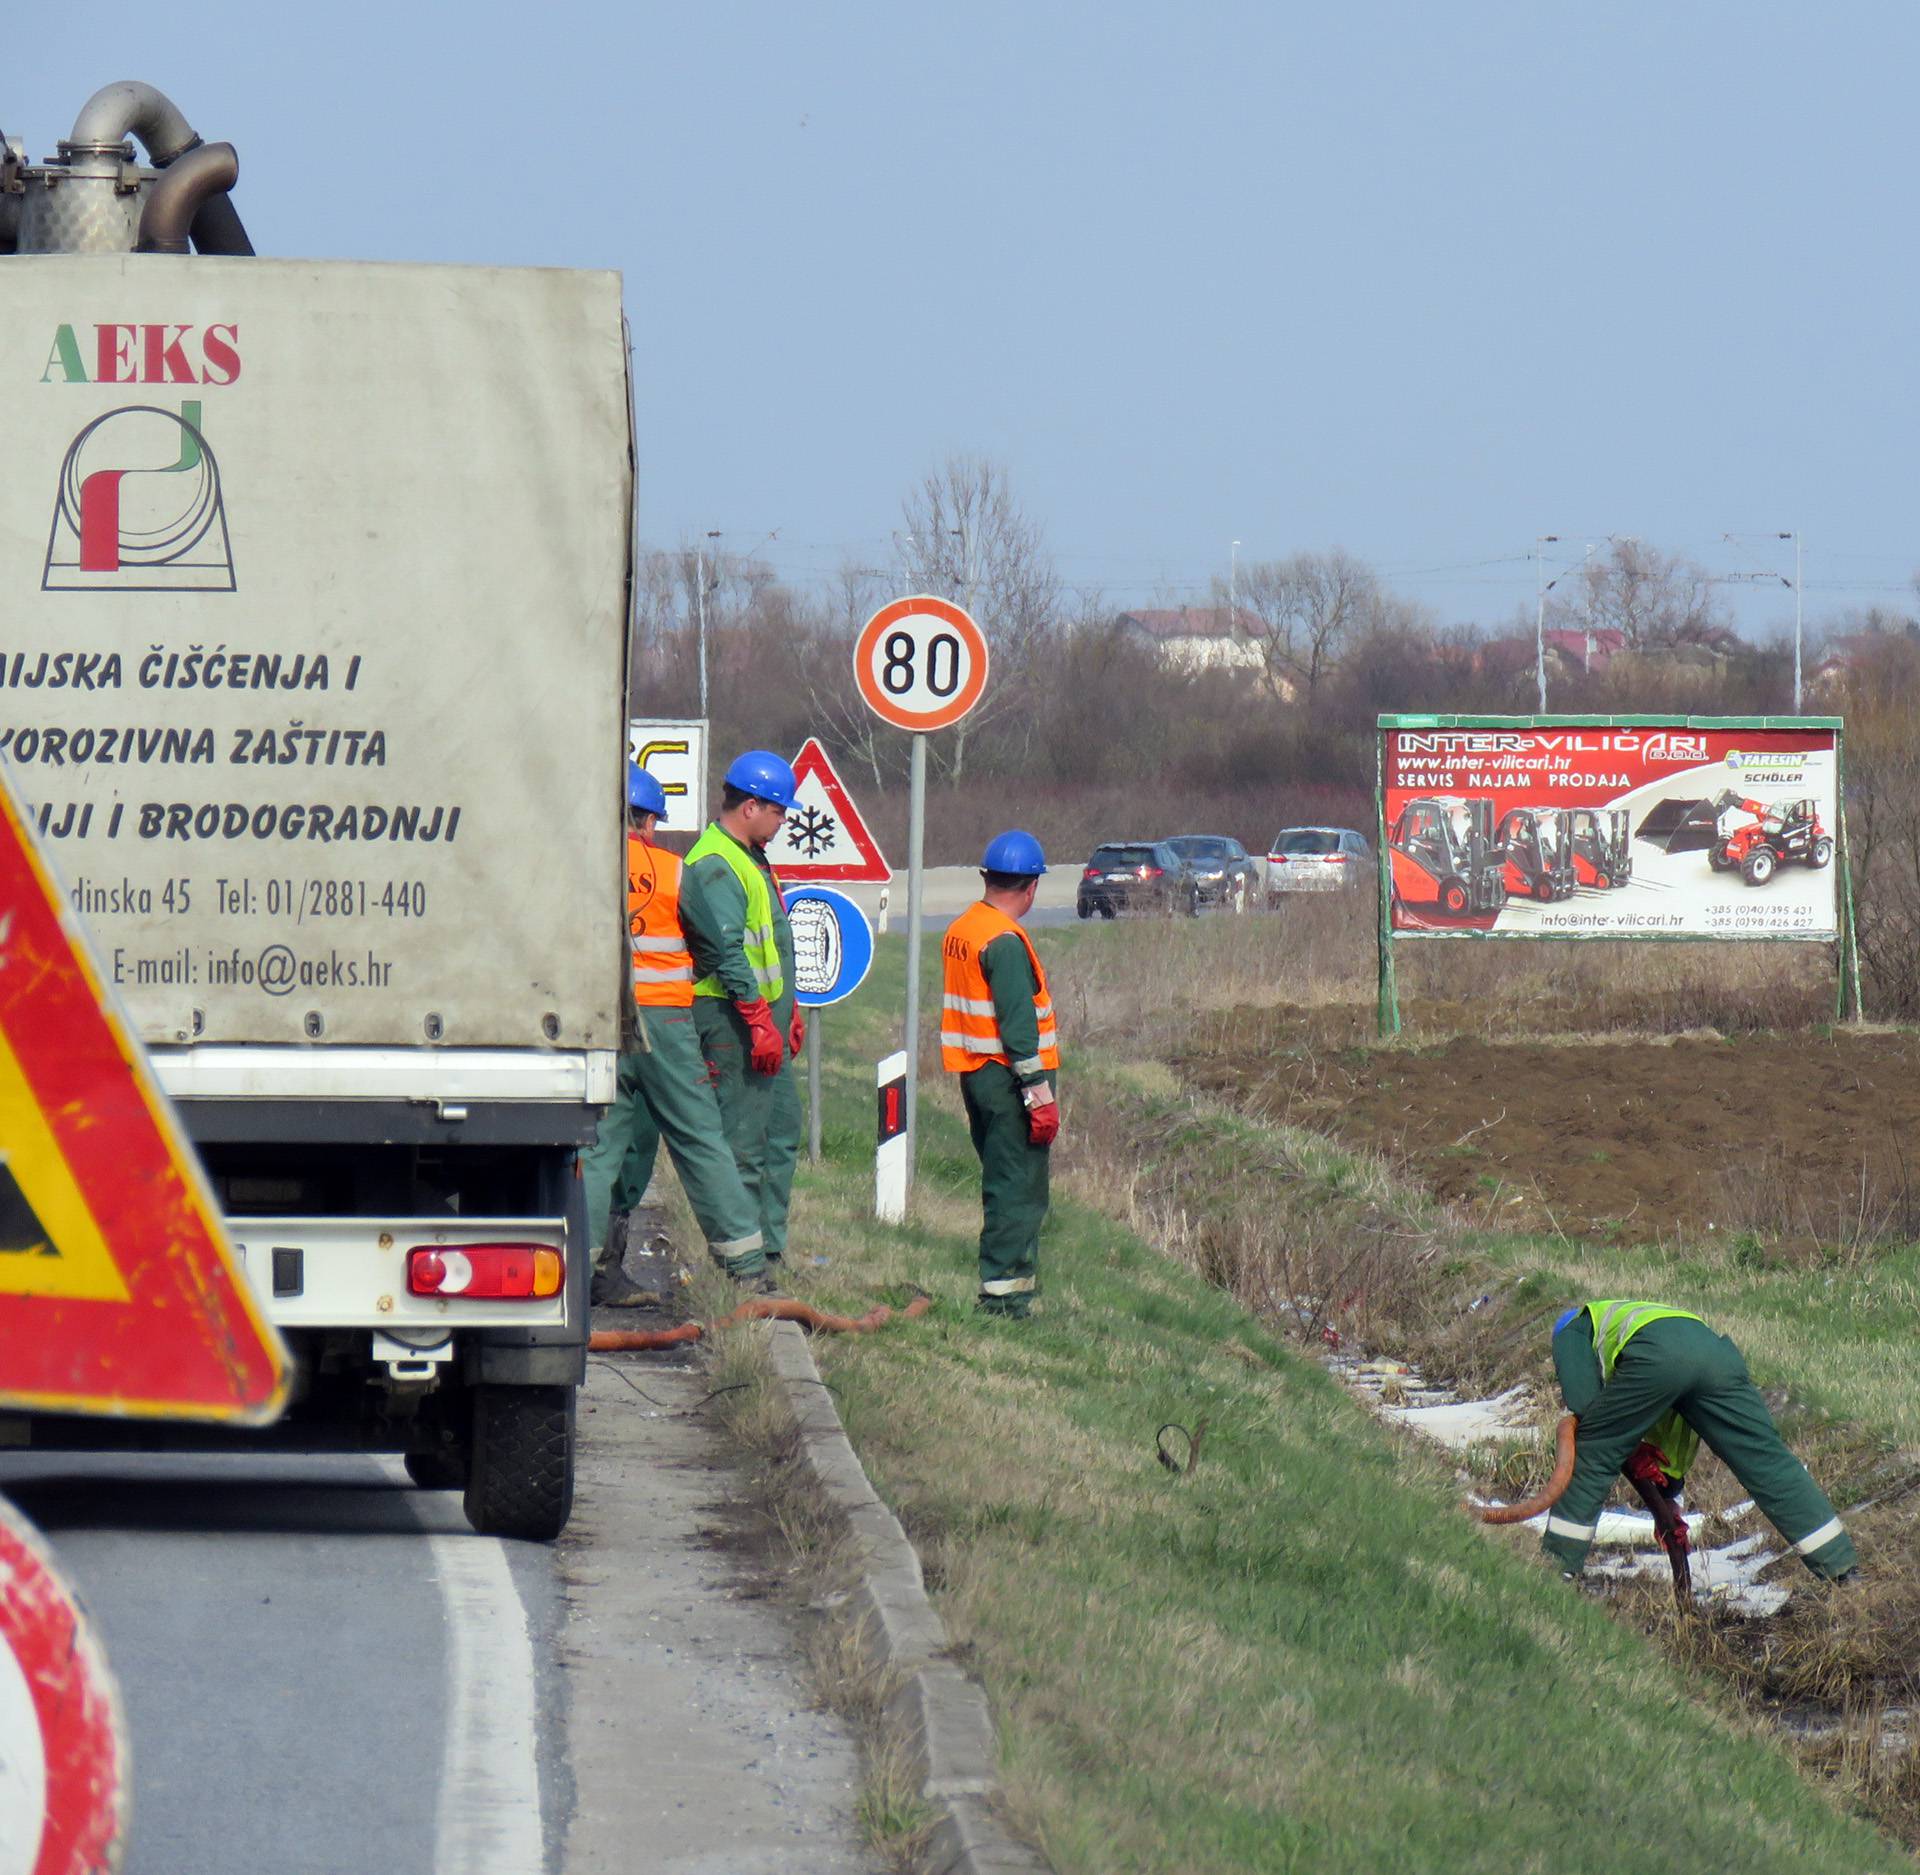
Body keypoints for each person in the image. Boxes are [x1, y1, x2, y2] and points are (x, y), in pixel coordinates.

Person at [580, 763, 771, 1304]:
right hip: (663, 1022)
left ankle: (581, 1267)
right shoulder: (671, 871)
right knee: (699, 1139)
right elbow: (714, 947)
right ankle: (747, 1266)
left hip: (598, 1026)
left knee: (596, 1149)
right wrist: (750, 1010)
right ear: (644, 820)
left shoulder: (580, 868)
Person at [1542, 1299, 1856, 1582]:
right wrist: (1669, 1498)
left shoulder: (1573, 1327)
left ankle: (1557, 1569)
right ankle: (1842, 1568)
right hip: (1717, 1357)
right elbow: (1676, 1430)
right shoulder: (1638, 1317)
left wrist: (1620, 1443)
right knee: (1766, 1459)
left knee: (1593, 1450)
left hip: (1659, 1356)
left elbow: (1585, 1406)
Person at [680, 750, 804, 1271]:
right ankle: (741, 1267)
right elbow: (726, 953)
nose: (782, 823)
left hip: (766, 1018)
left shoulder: (751, 854)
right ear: (751, 806)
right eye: (779, 812)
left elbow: (770, 943)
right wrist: (757, 1019)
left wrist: (788, 1009)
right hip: (735, 1020)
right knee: (744, 1146)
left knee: (781, 1131)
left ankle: (769, 1251)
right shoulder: (715, 863)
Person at [939, 831, 1059, 1317]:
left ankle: (1002, 1288)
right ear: (1030, 888)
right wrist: (1039, 1093)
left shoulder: (963, 929)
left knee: (1001, 1181)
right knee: (1018, 1190)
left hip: (977, 1076)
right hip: (1011, 1082)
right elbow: (1018, 1027)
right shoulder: (1004, 941)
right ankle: (1005, 1301)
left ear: (987, 878)